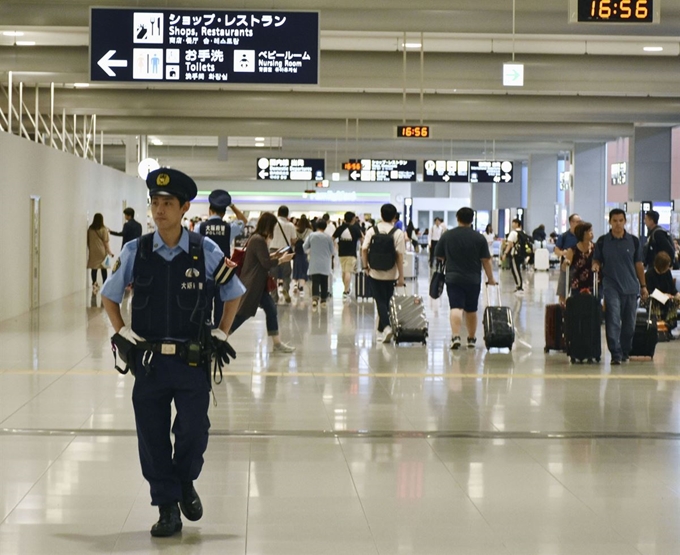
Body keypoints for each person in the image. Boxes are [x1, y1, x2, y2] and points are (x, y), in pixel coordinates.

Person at [101, 167, 245, 537]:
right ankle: (166, 505)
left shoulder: (204, 250)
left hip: (191, 361)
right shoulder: (137, 251)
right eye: (155, 202)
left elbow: (235, 293)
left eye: (168, 203)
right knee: (151, 435)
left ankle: (184, 481)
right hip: (148, 364)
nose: (159, 209)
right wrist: (122, 333)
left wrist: (222, 333)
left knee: (194, 431)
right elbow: (109, 296)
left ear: (184, 208)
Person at [229, 212, 296, 353]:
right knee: (242, 314)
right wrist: (283, 259)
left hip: (257, 284)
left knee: (271, 309)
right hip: (254, 284)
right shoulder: (258, 240)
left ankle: (277, 343)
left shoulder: (256, 238)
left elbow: (260, 258)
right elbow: (265, 263)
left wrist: (275, 255)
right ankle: (221, 336)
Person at [435, 207, 497, 350]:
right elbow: (486, 260)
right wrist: (491, 278)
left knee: (456, 307)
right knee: (471, 309)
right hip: (473, 279)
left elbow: (439, 255)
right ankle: (471, 338)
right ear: (472, 220)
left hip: (453, 277)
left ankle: (456, 336)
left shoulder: (448, 235)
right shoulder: (479, 237)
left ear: (457, 218)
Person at [592, 208, 648, 365]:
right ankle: (615, 353)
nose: (618, 224)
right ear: (609, 222)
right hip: (611, 286)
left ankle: (625, 351)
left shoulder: (634, 241)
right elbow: (596, 259)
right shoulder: (603, 241)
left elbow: (638, 264)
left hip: (631, 287)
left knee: (629, 324)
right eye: (614, 221)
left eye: (620, 221)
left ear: (625, 222)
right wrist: (595, 266)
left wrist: (643, 286)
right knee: (613, 320)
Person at [197, 189, 248, 327]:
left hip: (204, 274)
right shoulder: (229, 228)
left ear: (209, 210)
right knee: (220, 308)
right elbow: (244, 220)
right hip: (223, 274)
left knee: (204, 308)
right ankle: (218, 337)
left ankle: (205, 335)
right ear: (224, 213)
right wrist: (231, 205)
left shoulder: (199, 227)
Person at [361, 203, 406, 343]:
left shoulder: (372, 230)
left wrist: (365, 267)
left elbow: (364, 249)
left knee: (380, 300)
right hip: (391, 272)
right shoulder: (397, 233)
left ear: (381, 215)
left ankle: (385, 328)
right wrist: (401, 276)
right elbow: (399, 256)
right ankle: (382, 331)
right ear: (394, 217)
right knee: (386, 301)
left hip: (374, 272)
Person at [563, 221, 600, 297]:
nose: (592, 233)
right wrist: (566, 262)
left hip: (594, 282)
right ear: (582, 233)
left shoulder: (596, 248)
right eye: (589, 231)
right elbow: (564, 268)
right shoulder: (573, 250)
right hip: (577, 284)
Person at [304, 219, 335, 309]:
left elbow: (304, 247)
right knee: (324, 281)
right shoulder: (328, 237)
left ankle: (314, 299)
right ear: (325, 227)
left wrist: (310, 251)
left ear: (316, 226)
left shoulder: (311, 236)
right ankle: (323, 300)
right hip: (325, 262)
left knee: (315, 281)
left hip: (314, 261)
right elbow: (332, 251)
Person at [645, 252, 680, 330]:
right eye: (667, 265)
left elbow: (672, 288)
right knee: (656, 303)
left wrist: (677, 294)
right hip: (654, 298)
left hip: (667, 298)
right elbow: (650, 291)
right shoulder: (649, 274)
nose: (669, 267)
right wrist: (665, 295)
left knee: (675, 301)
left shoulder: (667, 273)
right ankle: (660, 325)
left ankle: (669, 326)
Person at [333, 211, 363, 300]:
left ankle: (346, 288)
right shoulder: (355, 229)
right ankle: (346, 291)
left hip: (341, 253)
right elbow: (362, 240)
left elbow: (332, 238)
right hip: (351, 253)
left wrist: (336, 245)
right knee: (348, 271)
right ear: (353, 219)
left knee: (344, 271)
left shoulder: (340, 228)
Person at [269, 206, 297, 303]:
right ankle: (285, 289)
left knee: (273, 275)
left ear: (278, 213)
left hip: (273, 251)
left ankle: (274, 296)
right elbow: (293, 240)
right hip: (285, 250)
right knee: (286, 274)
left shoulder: (272, 224)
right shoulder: (290, 225)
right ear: (287, 214)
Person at [554, 214, 582, 303]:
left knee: (577, 292)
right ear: (571, 223)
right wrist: (564, 253)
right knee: (563, 291)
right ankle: (563, 310)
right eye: (577, 222)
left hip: (579, 268)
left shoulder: (582, 236)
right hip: (566, 267)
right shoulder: (564, 236)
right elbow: (556, 250)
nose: (579, 224)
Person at [87, 212, 114, 292]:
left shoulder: (90, 229)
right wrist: (110, 252)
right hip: (101, 251)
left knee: (94, 267)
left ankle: (94, 283)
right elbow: (106, 242)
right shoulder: (103, 229)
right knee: (103, 268)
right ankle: (105, 283)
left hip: (93, 251)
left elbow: (88, 240)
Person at [501, 218, 527, 295]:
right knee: (517, 269)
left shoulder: (513, 233)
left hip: (515, 254)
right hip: (521, 254)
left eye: (513, 223)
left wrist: (505, 254)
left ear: (517, 224)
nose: (512, 224)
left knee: (515, 270)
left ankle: (519, 287)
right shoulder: (523, 232)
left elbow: (509, 245)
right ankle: (519, 285)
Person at [293, 214, 312, 296]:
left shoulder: (295, 230)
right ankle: (301, 287)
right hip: (305, 252)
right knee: (304, 269)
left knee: (296, 268)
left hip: (297, 252)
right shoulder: (310, 231)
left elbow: (293, 241)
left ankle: (295, 284)